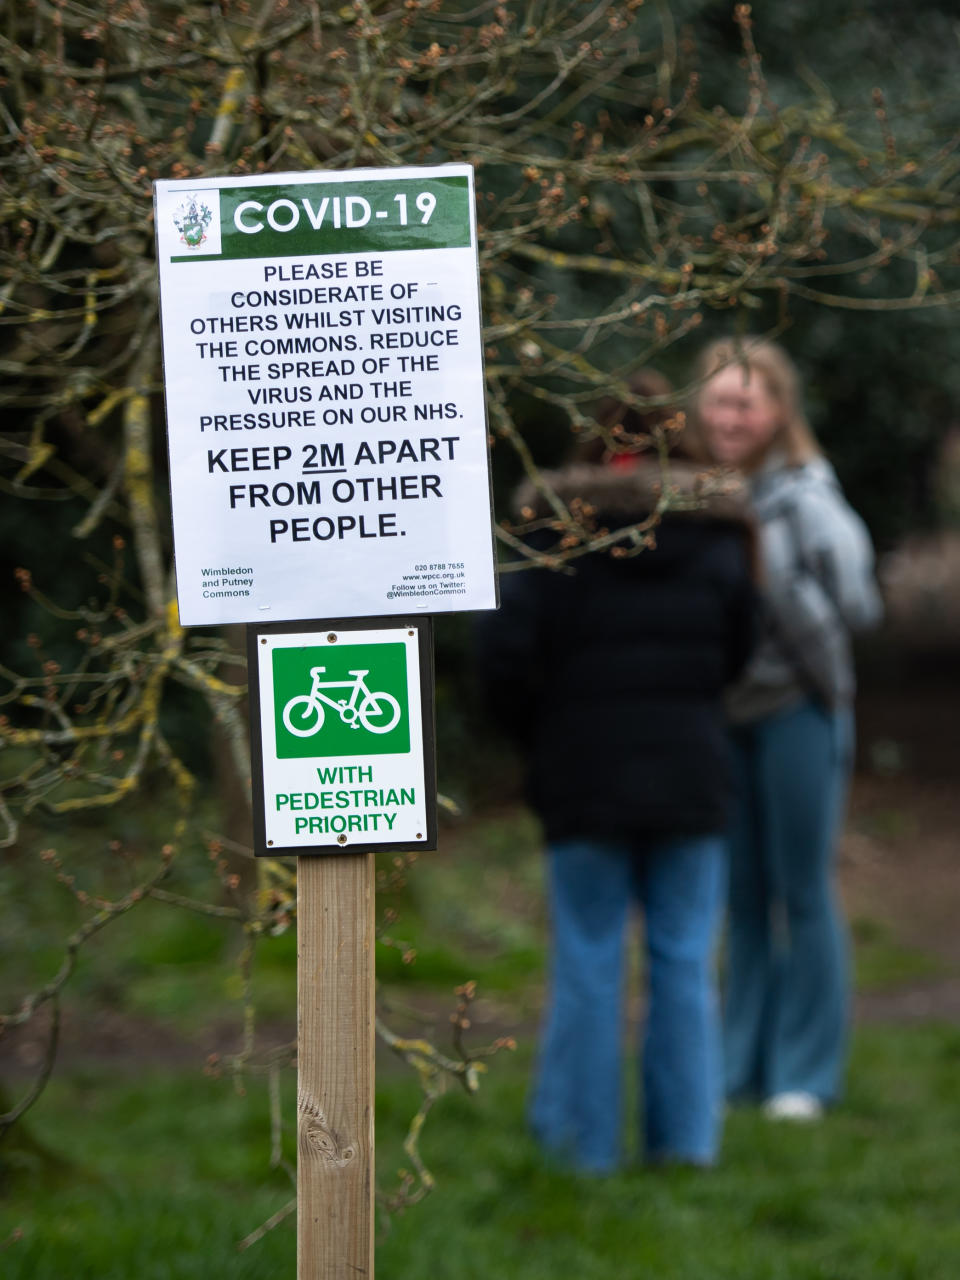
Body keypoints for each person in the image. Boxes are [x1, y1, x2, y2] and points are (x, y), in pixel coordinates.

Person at [475, 376, 759, 1171]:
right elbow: (740, 652)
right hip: (692, 775)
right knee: (684, 962)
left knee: (589, 960)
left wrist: (541, 739)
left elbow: (503, 660)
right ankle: (687, 1147)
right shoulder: (724, 535)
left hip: (580, 773)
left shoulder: (553, 533)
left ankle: (577, 1148)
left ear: (593, 437)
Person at [689, 338, 883, 1121]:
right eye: (719, 401)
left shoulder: (805, 493)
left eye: (747, 402)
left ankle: (806, 1075)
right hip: (721, 715)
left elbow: (860, 604)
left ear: (777, 411)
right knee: (740, 899)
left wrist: (786, 593)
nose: (731, 417)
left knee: (801, 893)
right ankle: (740, 1068)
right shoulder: (696, 492)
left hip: (799, 710)